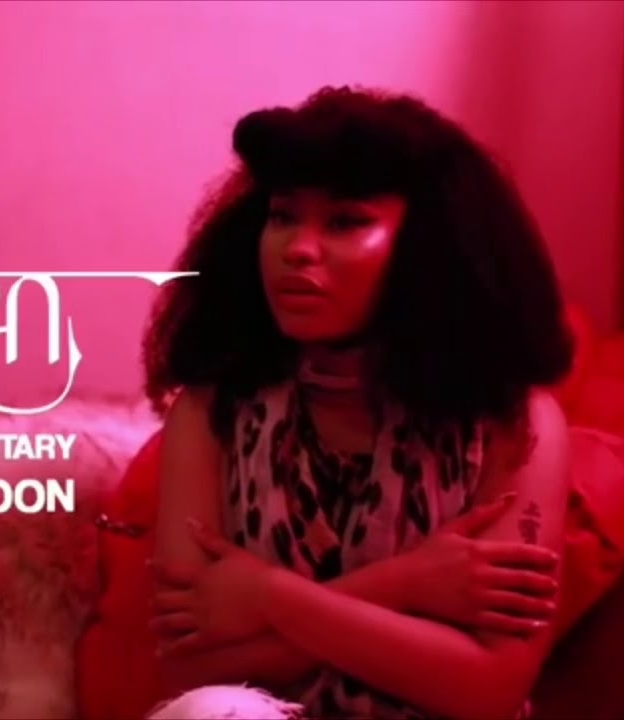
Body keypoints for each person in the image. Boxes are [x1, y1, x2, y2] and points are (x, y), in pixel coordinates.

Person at [139, 85, 575, 720]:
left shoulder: (514, 421)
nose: (297, 248)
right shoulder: (213, 412)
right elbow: (187, 672)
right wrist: (409, 584)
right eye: (283, 216)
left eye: (344, 222)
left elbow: (490, 690)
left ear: (428, 246)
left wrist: (266, 595)